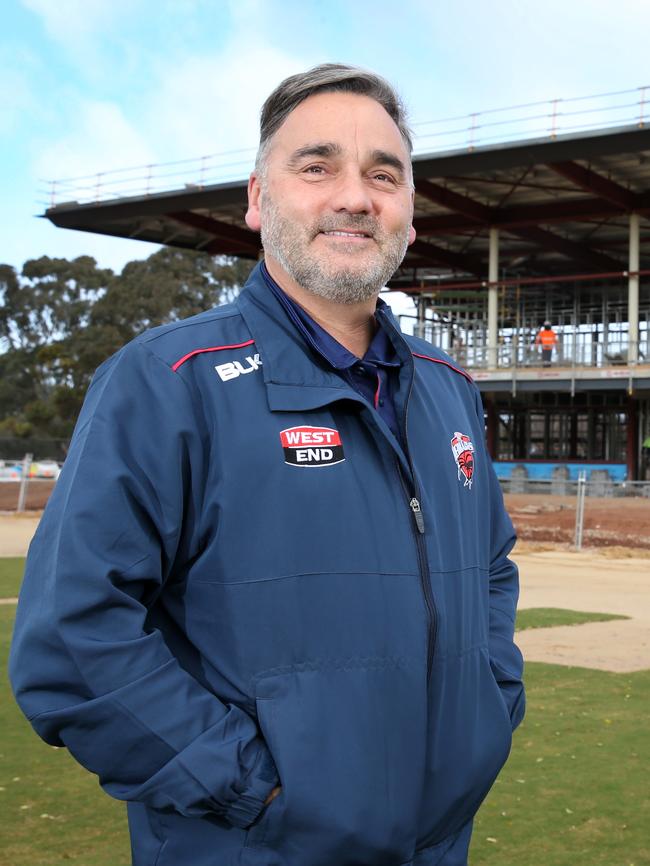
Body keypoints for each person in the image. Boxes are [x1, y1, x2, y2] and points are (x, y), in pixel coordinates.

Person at [10, 64, 525, 866]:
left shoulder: (449, 390)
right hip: (252, 845)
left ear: (410, 217)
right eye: (317, 166)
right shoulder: (165, 383)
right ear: (257, 200)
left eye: (382, 175)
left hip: (437, 845)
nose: (355, 196)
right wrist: (253, 787)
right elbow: (71, 640)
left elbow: (491, 567)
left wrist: (490, 705)